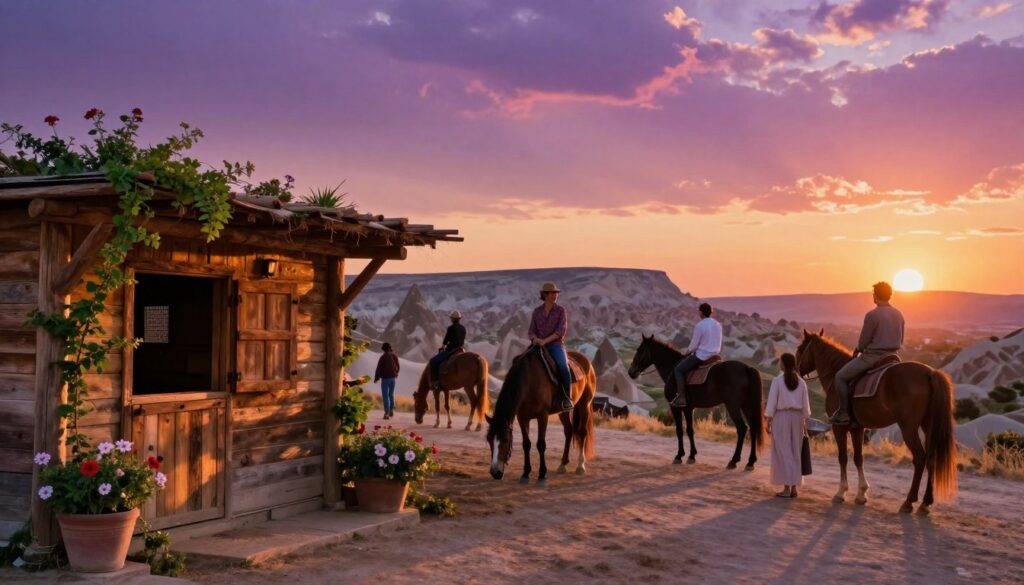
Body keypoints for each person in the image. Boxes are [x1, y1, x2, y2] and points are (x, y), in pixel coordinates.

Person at [830, 281, 905, 425]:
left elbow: (864, 342)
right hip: (893, 356)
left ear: (875, 296)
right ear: (889, 296)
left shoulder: (872, 315)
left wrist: (858, 348)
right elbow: (901, 339)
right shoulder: (898, 314)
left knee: (840, 377)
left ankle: (844, 413)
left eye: (873, 294)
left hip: (873, 357)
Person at [766, 353, 812, 498]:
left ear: (784, 364)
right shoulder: (801, 383)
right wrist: (804, 422)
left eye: (781, 362)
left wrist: (768, 420)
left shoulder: (777, 381)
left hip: (781, 417)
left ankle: (786, 488)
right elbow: (806, 408)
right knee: (795, 452)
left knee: (784, 451)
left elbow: (772, 402)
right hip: (798, 418)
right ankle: (794, 488)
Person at [528, 282, 573, 412]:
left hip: (555, 345)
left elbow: (561, 331)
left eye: (556, 293)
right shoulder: (537, 312)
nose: (555, 295)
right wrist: (535, 339)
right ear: (545, 295)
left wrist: (545, 341)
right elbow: (531, 331)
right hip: (537, 345)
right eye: (552, 293)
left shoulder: (560, 311)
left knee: (564, 368)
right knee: (520, 364)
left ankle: (566, 398)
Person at [670, 303, 723, 408]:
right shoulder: (718, 324)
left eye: (699, 311)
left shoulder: (700, 325)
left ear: (701, 312)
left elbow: (694, 345)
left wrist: (687, 352)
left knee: (678, 370)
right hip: (715, 356)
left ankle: (681, 398)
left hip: (702, 356)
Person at [429, 311, 466, 391]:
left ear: (452, 319)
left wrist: (443, 346)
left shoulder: (451, 328)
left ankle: (435, 382)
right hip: (461, 349)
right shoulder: (463, 328)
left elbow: (446, 341)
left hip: (451, 349)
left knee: (433, 361)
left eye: (451, 318)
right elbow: (462, 340)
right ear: (459, 319)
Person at [374, 342, 400, 419]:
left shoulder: (383, 357)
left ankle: (387, 413)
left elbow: (378, 368)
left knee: (385, 396)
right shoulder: (394, 356)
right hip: (393, 379)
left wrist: (376, 378)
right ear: (390, 348)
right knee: (391, 395)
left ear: (384, 349)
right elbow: (398, 366)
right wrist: (395, 373)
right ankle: (391, 410)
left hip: (385, 379)